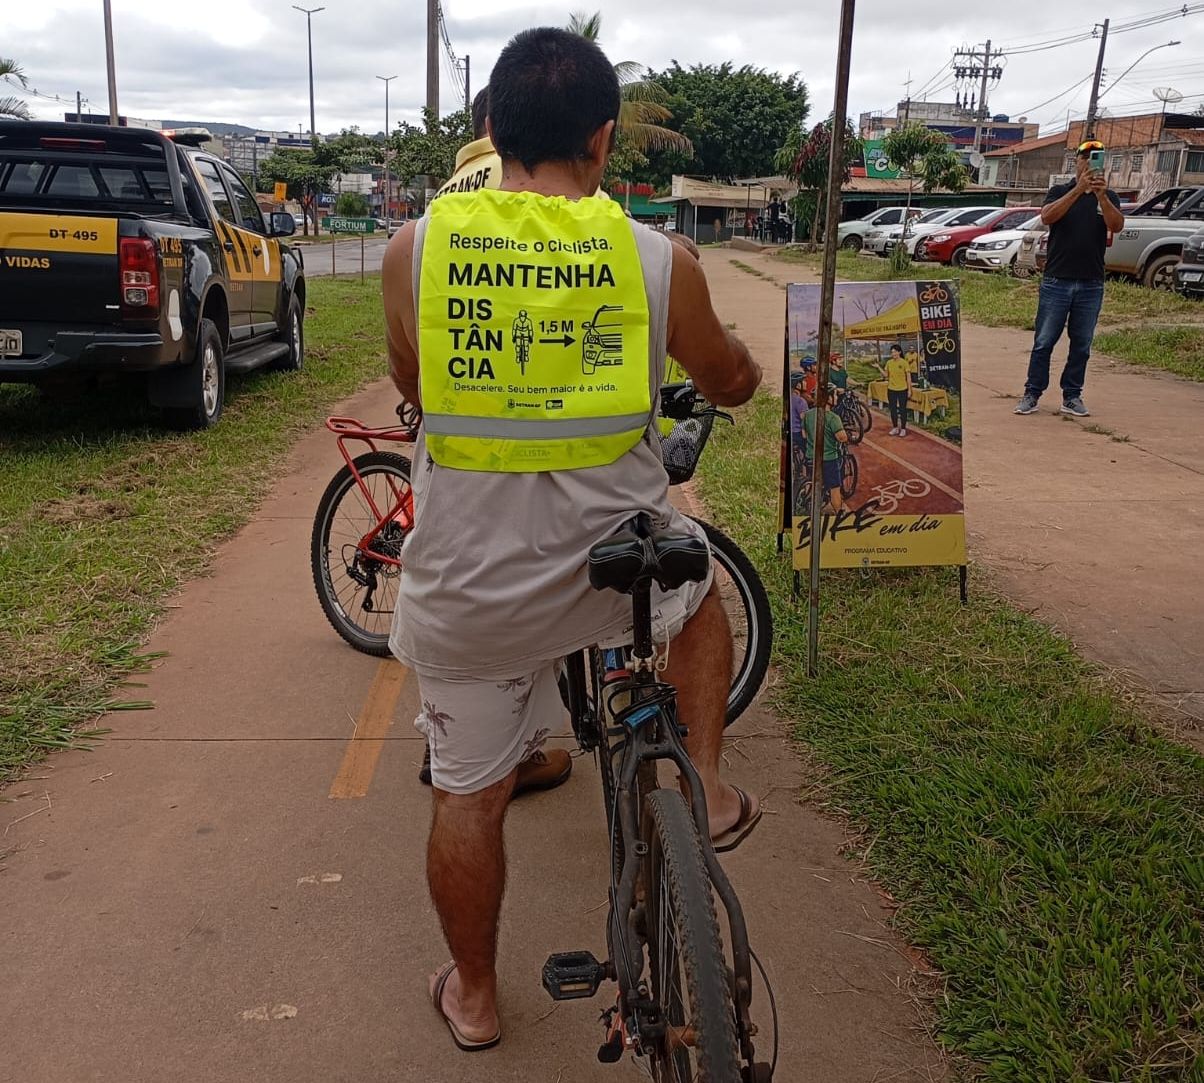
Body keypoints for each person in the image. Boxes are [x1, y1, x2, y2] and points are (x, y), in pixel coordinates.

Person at [380, 27, 763, 1053]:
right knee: (701, 585)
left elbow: (413, 386)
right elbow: (725, 375)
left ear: (491, 128)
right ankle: (710, 789)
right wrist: (740, 380)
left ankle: (472, 994)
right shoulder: (655, 259)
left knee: (467, 793)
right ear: (604, 142)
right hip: (614, 575)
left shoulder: (415, 250)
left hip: (472, 590)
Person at [1015, 139, 1124, 418]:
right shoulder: (1059, 191)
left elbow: (1117, 225)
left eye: (1095, 158)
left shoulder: (1108, 196)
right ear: (1075, 162)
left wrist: (1100, 196)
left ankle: (1072, 396)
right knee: (1044, 341)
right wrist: (1078, 189)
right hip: (1057, 280)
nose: (1089, 163)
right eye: (1084, 158)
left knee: (1082, 344)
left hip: (1091, 283)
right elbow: (1047, 217)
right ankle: (1032, 392)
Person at [801, 388, 849, 513]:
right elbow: (842, 437)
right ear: (828, 398)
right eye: (834, 395)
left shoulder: (808, 414)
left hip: (811, 456)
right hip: (829, 459)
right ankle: (839, 515)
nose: (836, 398)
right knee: (835, 489)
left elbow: (805, 435)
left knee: (815, 480)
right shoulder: (833, 418)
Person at [877, 343, 912, 437]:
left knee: (902, 409)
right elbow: (886, 375)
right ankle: (895, 427)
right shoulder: (889, 363)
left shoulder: (904, 362)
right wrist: (878, 367)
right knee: (892, 409)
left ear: (899, 352)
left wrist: (909, 390)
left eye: (895, 352)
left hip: (902, 389)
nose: (893, 354)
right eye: (892, 352)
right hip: (891, 389)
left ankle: (903, 428)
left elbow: (908, 377)